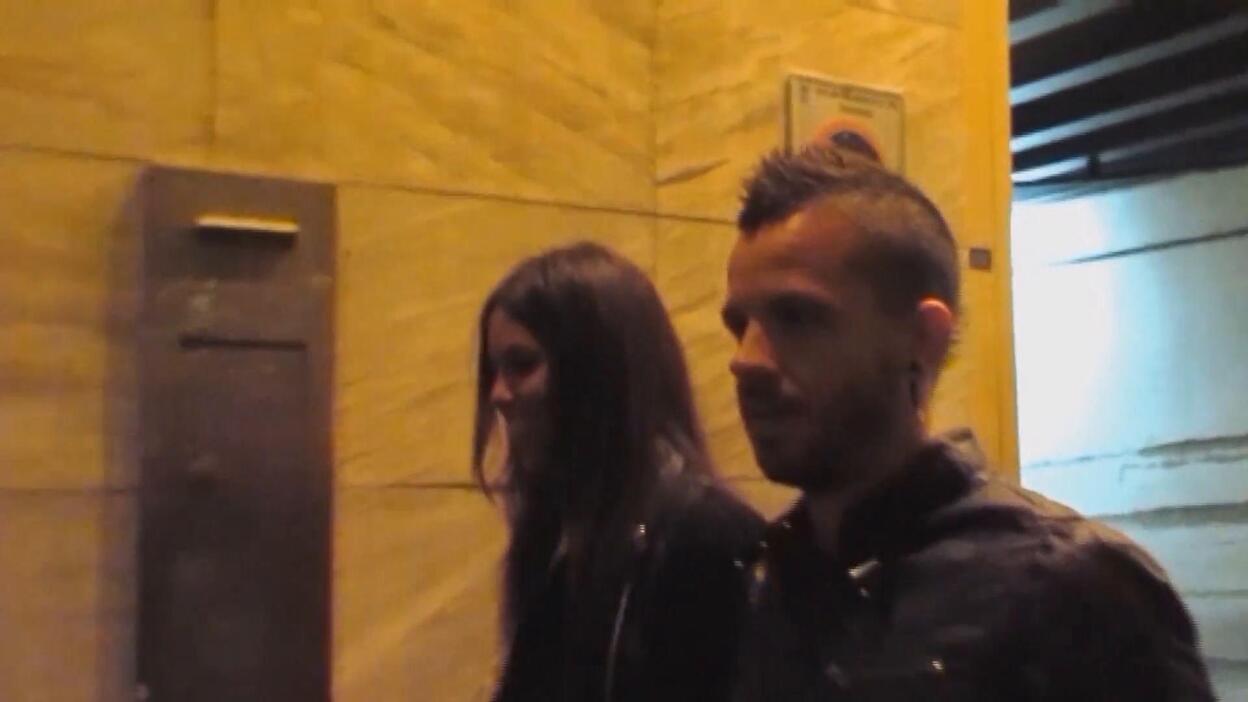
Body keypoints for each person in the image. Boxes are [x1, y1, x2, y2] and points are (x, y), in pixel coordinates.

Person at [721, 145, 1216, 701]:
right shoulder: (765, 578)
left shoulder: (1069, 587)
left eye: (796, 318)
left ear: (922, 339)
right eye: (739, 325)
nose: (746, 360)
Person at [472, 241, 764, 702]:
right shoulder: (562, 539)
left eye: (522, 365)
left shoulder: (707, 540)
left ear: (597, 371)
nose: (499, 395)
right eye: (494, 370)